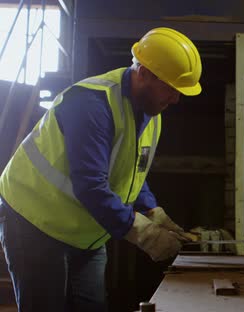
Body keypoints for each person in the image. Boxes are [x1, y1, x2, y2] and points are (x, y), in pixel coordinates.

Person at [0, 27, 202, 311]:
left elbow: (132, 173)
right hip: (34, 220)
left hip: (86, 232)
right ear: (143, 73)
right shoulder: (91, 104)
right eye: (170, 88)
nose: (176, 99)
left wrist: (152, 211)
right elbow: (91, 186)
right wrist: (144, 234)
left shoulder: (152, 114)